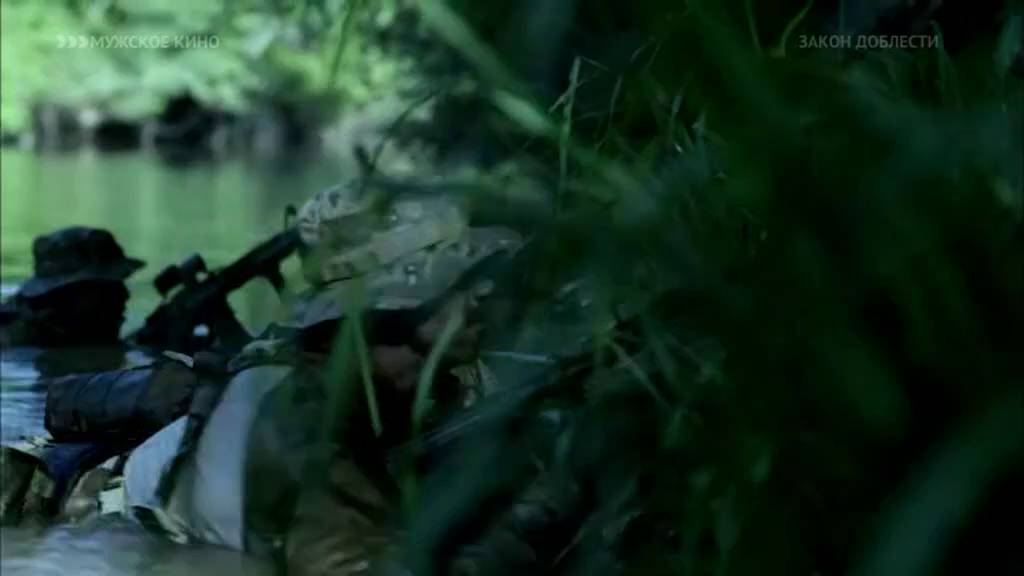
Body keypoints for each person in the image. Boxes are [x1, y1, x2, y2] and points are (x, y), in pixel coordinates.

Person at [0, 226, 146, 376]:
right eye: (106, 290)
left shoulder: (78, 326)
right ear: (65, 295)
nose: (124, 295)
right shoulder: (13, 337)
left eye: (119, 285)